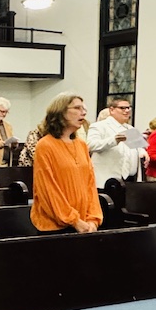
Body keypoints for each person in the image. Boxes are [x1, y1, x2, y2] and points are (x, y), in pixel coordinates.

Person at [31, 93, 103, 233]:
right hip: (55, 226)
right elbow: (47, 189)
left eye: (83, 108)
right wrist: (74, 220)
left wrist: (93, 219)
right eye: (77, 108)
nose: (83, 112)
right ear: (60, 112)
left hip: (84, 225)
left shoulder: (81, 144)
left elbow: (90, 184)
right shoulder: (45, 145)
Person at [87, 97, 145, 186]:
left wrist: (143, 152)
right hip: (106, 180)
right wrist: (114, 140)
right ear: (112, 110)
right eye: (122, 108)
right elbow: (91, 145)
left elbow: (138, 148)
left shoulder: (131, 129)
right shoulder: (99, 126)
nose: (127, 111)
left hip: (130, 180)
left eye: (129, 108)